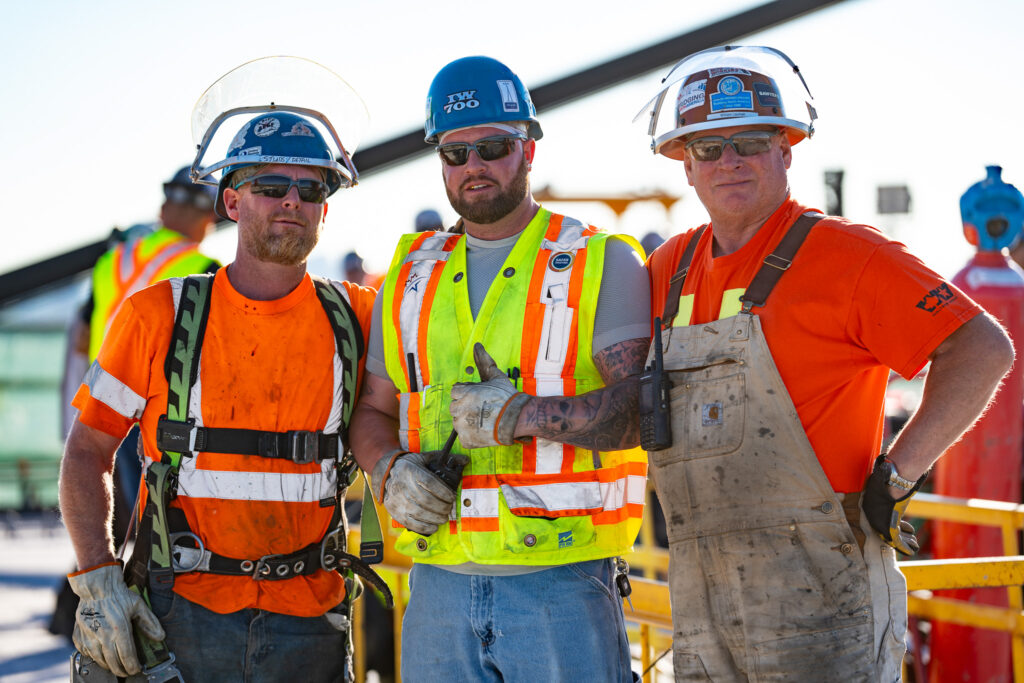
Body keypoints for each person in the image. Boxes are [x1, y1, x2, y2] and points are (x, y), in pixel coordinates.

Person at [636, 45, 1014, 680]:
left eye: (751, 141)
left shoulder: (847, 255)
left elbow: (982, 348)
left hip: (823, 596)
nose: (729, 161)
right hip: (702, 598)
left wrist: (900, 473)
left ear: (787, 150)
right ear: (685, 165)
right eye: (708, 147)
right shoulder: (668, 269)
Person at [59, 59, 378, 682]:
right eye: (269, 185)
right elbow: (87, 450)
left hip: (310, 622)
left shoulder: (359, 317)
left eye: (311, 188)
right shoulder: (158, 315)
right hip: (179, 615)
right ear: (232, 200)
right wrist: (97, 580)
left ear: (325, 209)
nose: (291, 200)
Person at [351, 55, 650, 682]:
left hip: (563, 585)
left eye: (492, 147)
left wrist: (523, 415)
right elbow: (373, 410)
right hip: (437, 584)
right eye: (455, 154)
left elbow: (645, 412)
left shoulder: (601, 261)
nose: (473, 167)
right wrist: (388, 471)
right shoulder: (409, 273)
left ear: (529, 149)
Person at [50, 168, 221, 642]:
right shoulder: (203, 265)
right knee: (146, 516)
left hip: (104, 403)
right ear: (208, 217)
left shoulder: (115, 259)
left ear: (165, 207)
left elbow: (84, 333)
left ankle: (73, 610)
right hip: (157, 412)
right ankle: (97, 616)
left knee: (118, 511)